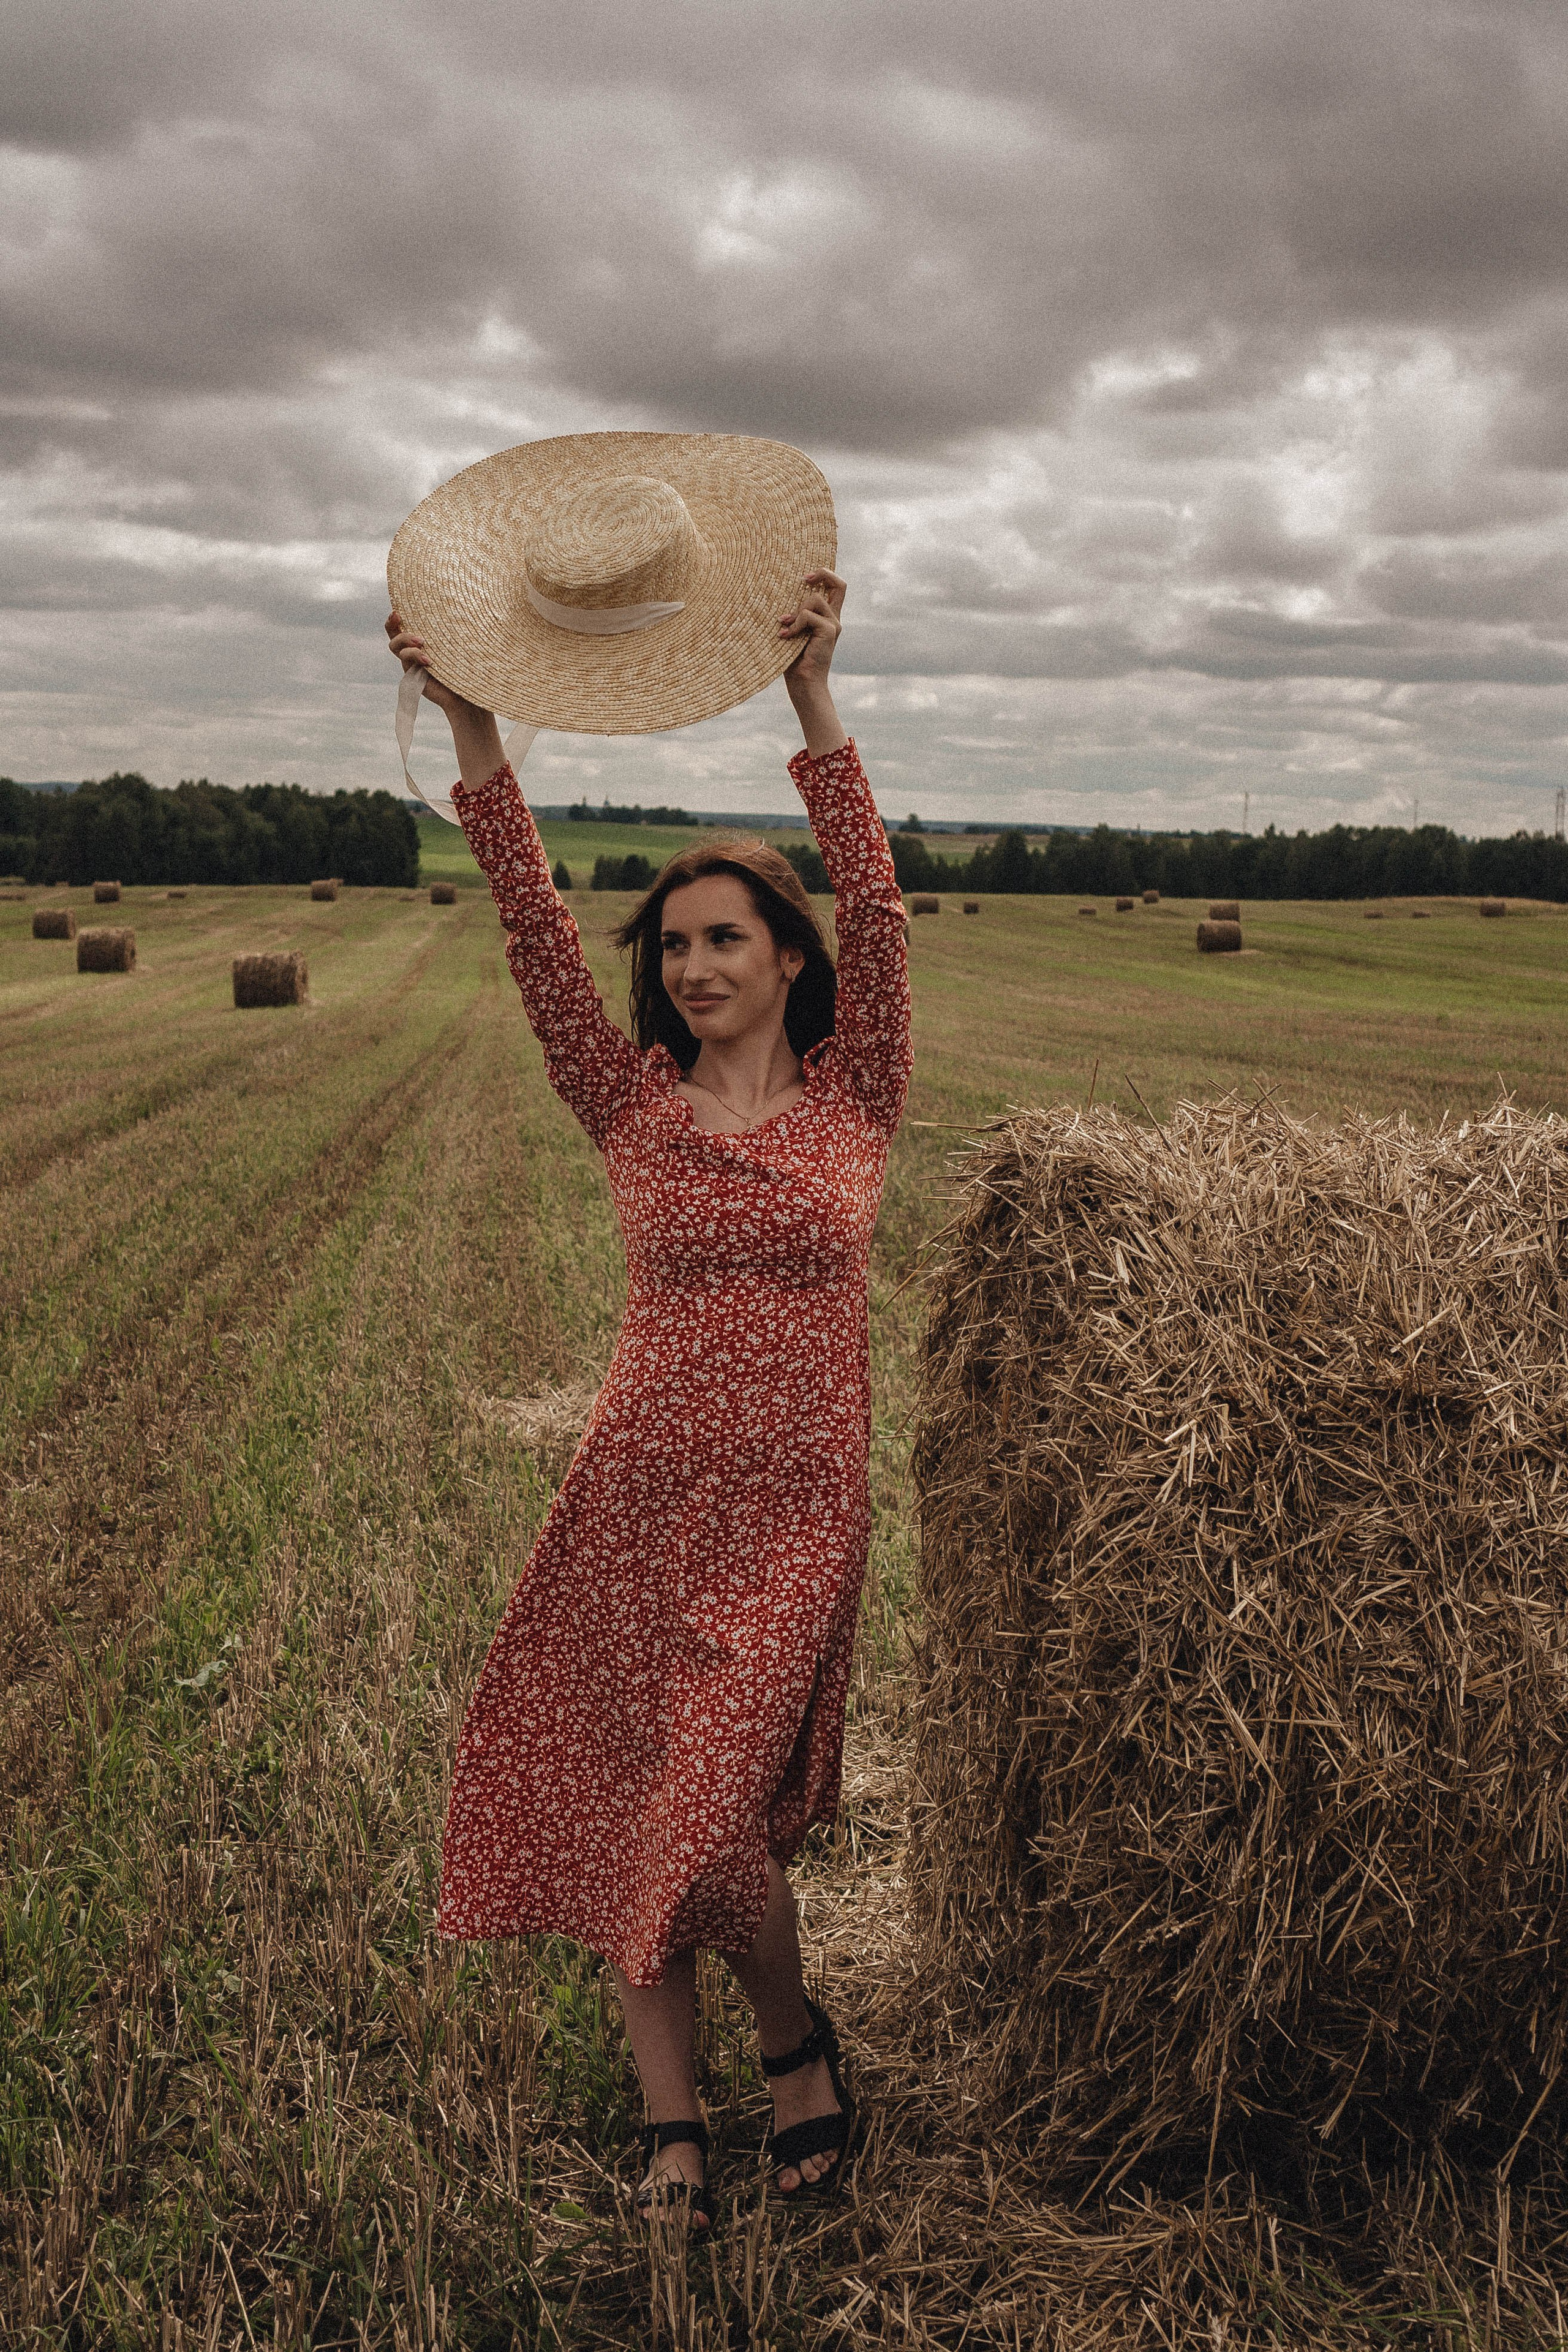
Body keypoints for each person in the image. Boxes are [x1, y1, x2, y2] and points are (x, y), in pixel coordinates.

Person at [386, 562, 910, 2232]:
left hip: (796, 1511)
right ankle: (681, 2118)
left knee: (700, 1810)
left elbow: (886, 909)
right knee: (639, 1806)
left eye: (724, 940)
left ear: (787, 956)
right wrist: (477, 728)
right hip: (639, 1496)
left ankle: (789, 2046)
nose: (691, 967)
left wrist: (816, 703)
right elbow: (535, 924)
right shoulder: (627, 1106)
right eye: (673, 944)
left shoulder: (860, 1096)